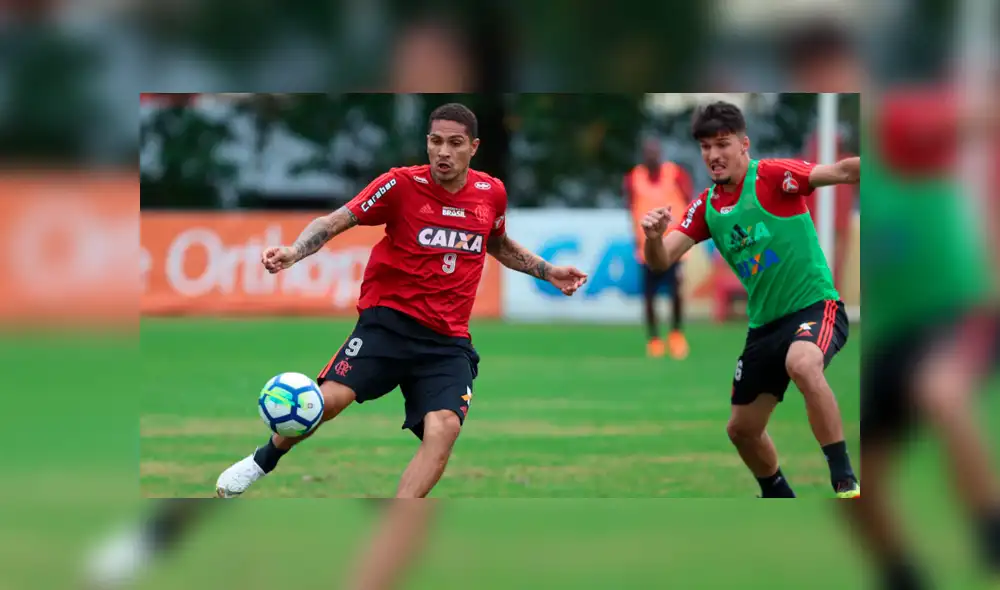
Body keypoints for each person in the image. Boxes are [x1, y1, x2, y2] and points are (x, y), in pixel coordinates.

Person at [215, 103, 588, 499]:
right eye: (436, 142)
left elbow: (495, 243)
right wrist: (295, 251)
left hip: (447, 341)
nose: (443, 152)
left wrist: (547, 271)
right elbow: (333, 221)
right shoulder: (400, 185)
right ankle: (263, 460)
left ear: (473, 147)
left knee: (444, 428)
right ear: (427, 143)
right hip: (387, 324)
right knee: (327, 402)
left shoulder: (490, 193)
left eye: (455, 143)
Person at [640, 100, 861, 499]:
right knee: (741, 431)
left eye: (722, 144)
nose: (713, 155)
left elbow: (843, 171)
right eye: (705, 147)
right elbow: (661, 261)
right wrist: (654, 237)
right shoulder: (706, 207)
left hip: (814, 306)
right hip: (764, 328)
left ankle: (844, 475)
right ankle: (778, 496)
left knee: (803, 362)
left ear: (744, 144)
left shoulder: (774, 176)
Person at [848, 87, 1000, 589]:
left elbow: (977, 116)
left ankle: (990, 531)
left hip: (950, 311)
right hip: (892, 337)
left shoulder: (901, 129)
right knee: (853, 484)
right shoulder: (844, 173)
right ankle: (903, 578)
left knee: (941, 390)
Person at [624, 137, 694, 359]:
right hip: (646, 247)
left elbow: (689, 201)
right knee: (649, 296)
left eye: (654, 152)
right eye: (647, 152)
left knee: (676, 293)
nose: (651, 156)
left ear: (660, 153)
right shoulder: (634, 177)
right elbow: (631, 208)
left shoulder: (675, 174)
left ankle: (676, 335)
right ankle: (654, 339)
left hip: (673, 244)